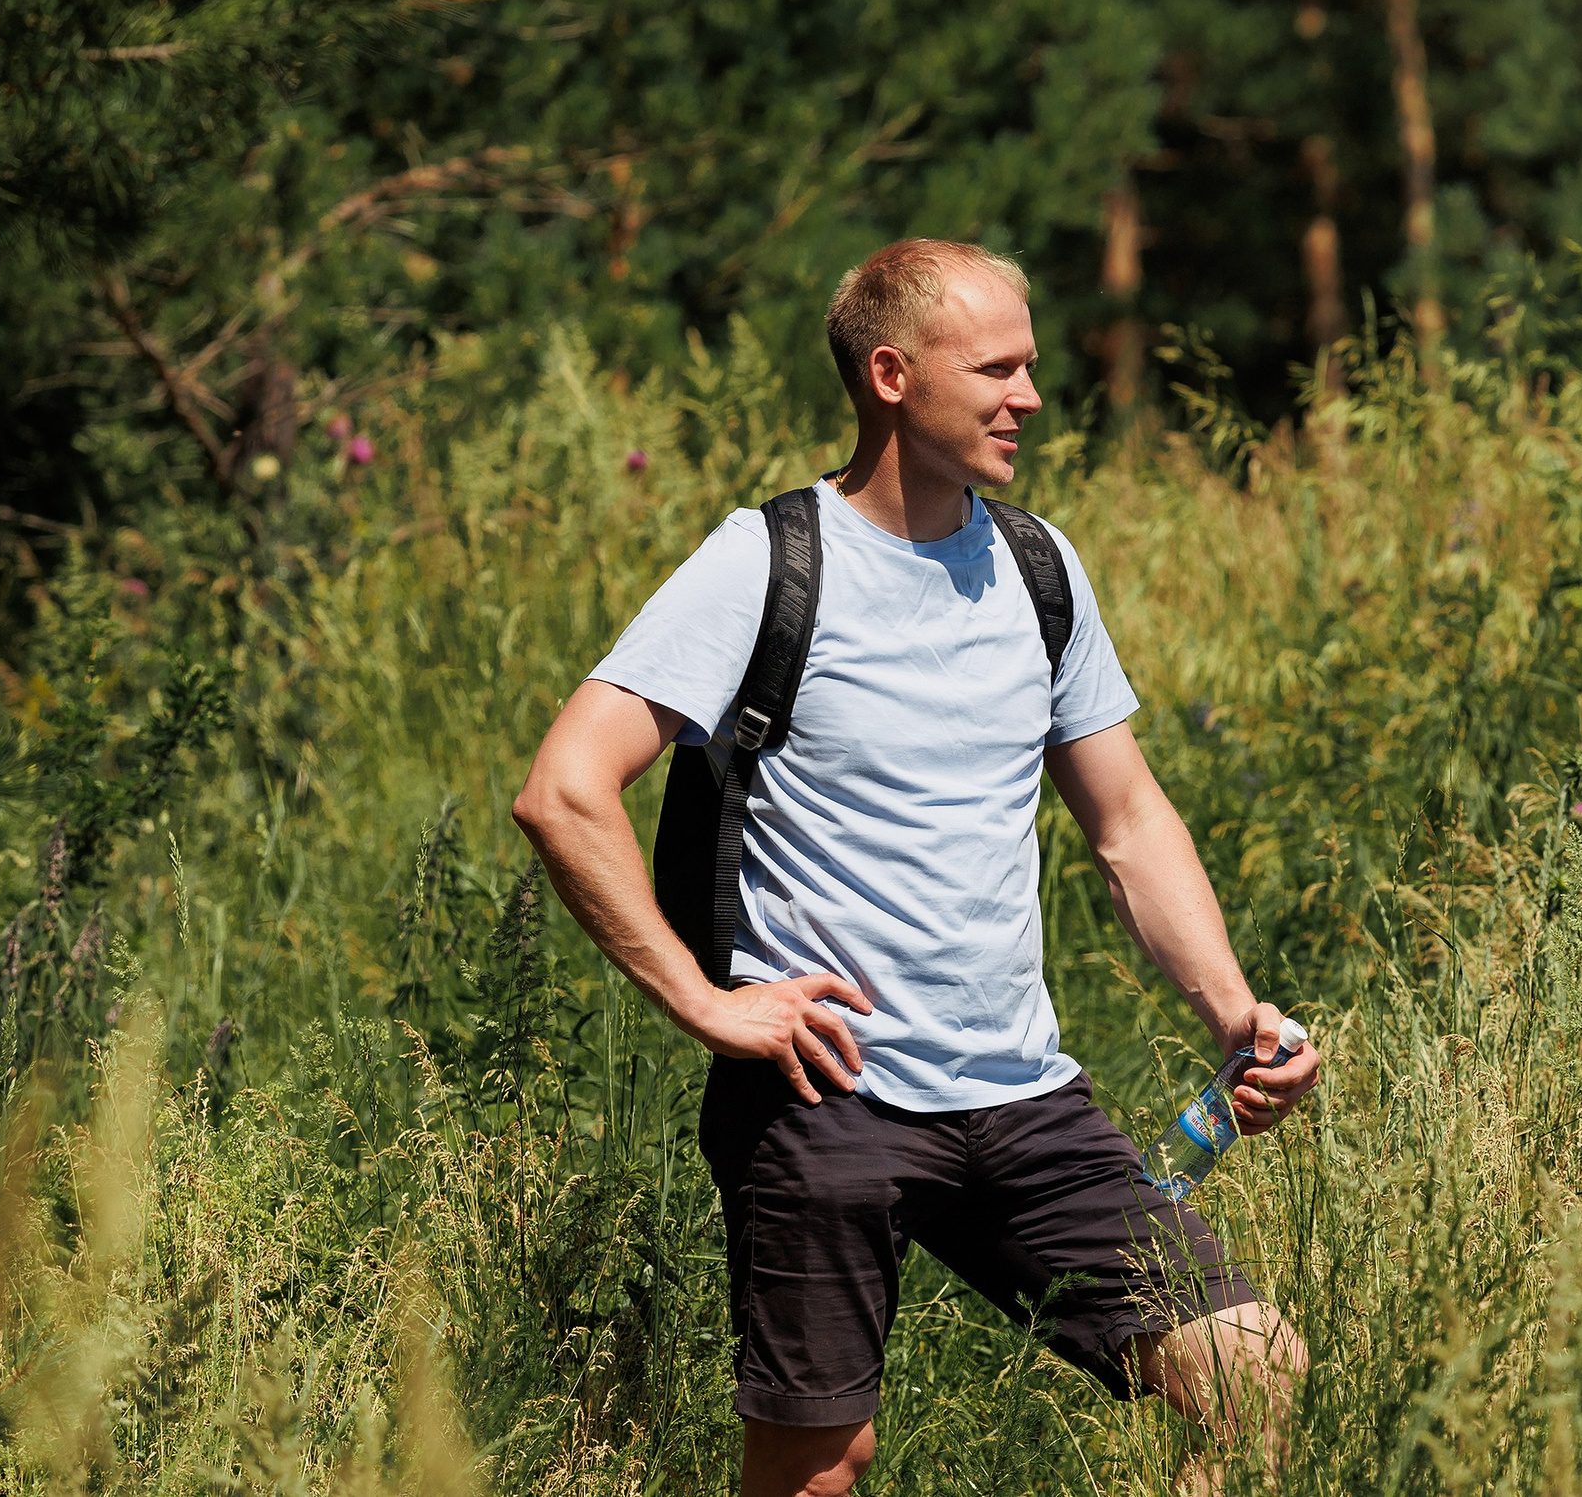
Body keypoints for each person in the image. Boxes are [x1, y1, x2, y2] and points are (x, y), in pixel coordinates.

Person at [512, 239, 1321, 1496]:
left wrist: (1231, 1010)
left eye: (1032, 367)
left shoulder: (1038, 568)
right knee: (821, 1468)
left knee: (1248, 1371)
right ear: (891, 374)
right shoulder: (767, 563)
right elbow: (564, 790)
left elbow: (1127, 819)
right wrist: (705, 1004)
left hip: (1023, 1096)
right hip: (823, 1099)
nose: (1030, 398)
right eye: (996, 368)